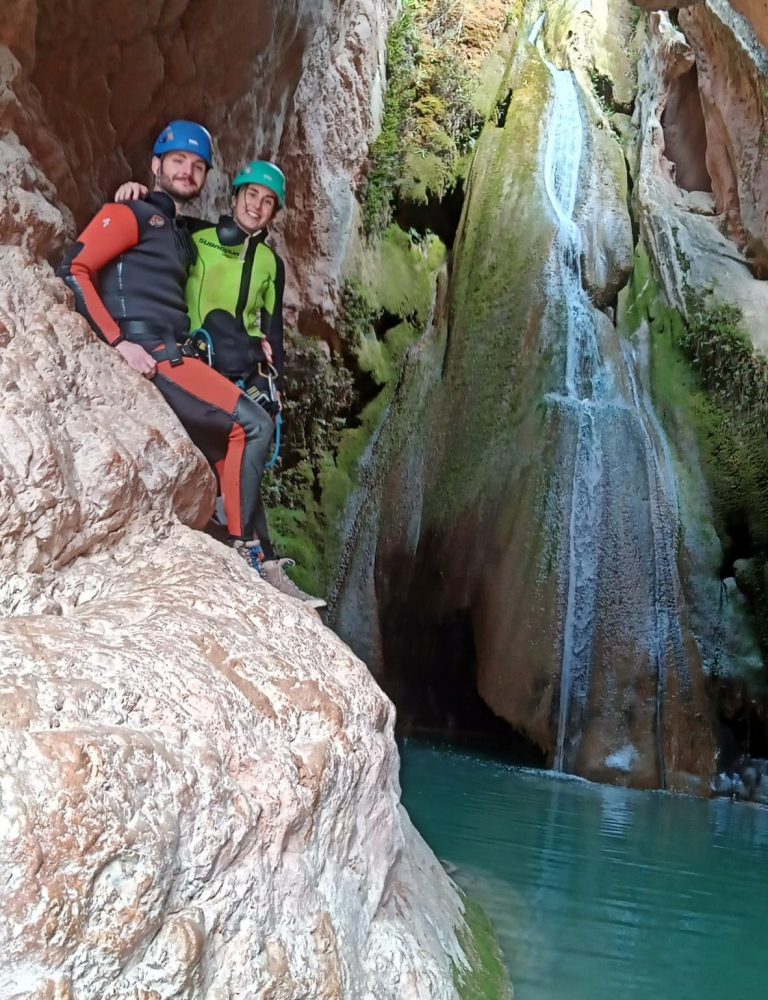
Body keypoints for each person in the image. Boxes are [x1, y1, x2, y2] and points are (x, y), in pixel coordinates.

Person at [57, 120, 322, 608]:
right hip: (159, 352)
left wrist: (267, 358)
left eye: (198, 166)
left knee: (232, 451)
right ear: (155, 165)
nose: (187, 170)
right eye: (177, 160)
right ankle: (247, 556)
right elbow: (75, 268)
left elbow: (268, 323)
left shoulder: (181, 233)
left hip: (182, 352)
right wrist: (118, 342)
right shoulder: (134, 211)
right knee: (254, 426)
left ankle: (259, 561)